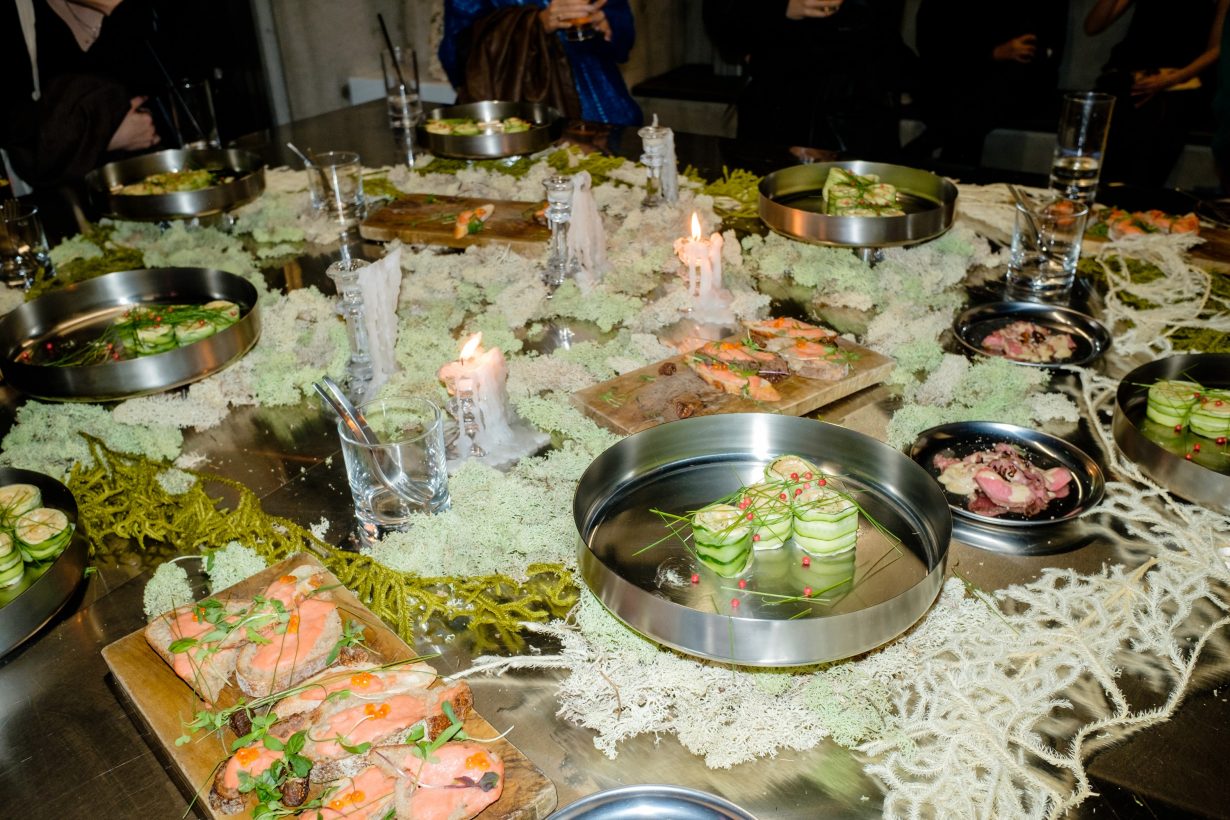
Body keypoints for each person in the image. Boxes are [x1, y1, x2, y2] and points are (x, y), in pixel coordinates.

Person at [703, 0, 909, 160]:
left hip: (854, 113)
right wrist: (777, 8)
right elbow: (722, 21)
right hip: (773, 107)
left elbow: (879, 24)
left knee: (864, 201)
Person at [1, 0, 160, 190]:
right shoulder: (21, 13)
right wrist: (101, 138)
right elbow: (22, 139)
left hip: (175, 182)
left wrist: (111, 6)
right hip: (75, 206)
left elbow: (189, 96)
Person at [1085, 0, 1230, 187]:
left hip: (1179, 80)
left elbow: (1216, 48)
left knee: (1160, 115)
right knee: (1107, 107)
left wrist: (1173, 79)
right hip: (1127, 74)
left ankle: (1136, 197)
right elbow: (1092, 26)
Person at [909, 0, 1067, 166]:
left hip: (1012, 82)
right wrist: (992, 53)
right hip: (951, 78)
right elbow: (932, 47)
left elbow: (1042, 49)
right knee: (964, 100)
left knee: (994, 92)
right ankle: (946, 160)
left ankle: (930, 143)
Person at [439, 0, 642, 127]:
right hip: (526, 122)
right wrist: (536, 23)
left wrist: (606, 24)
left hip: (609, 115)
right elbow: (457, 54)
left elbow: (624, 42)